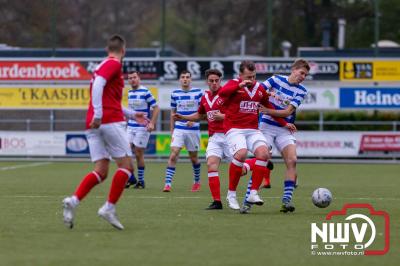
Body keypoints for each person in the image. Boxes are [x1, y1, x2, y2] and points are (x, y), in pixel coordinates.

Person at [62, 35, 147, 230]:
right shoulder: (114, 64)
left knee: (101, 170)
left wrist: (134, 115)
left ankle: (72, 202)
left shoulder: (101, 65)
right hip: (108, 121)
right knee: (127, 167)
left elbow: (111, 99)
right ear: (123, 50)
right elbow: (99, 85)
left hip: (93, 124)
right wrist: (100, 114)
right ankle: (108, 208)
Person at [217, 60, 293, 210]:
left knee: (264, 153)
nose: (251, 80)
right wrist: (238, 85)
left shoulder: (259, 88)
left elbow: (268, 107)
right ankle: (231, 194)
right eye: (248, 77)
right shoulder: (233, 84)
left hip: (252, 129)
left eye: (253, 76)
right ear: (240, 75)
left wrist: (285, 123)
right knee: (242, 153)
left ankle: (253, 193)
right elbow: (222, 93)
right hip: (234, 128)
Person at [258, 58, 309, 213]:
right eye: (301, 73)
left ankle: (286, 201)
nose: (303, 77)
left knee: (292, 160)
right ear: (293, 69)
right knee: (263, 157)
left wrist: (267, 110)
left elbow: (287, 112)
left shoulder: (302, 91)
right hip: (266, 126)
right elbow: (258, 92)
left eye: (305, 75)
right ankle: (250, 196)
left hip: (284, 129)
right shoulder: (275, 79)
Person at [162, 70, 203, 192]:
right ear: (180, 79)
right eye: (183, 77)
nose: (185, 79)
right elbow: (173, 113)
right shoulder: (175, 93)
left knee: (193, 158)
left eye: (187, 77)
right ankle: (167, 184)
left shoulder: (198, 93)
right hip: (179, 129)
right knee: (173, 154)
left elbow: (203, 113)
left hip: (193, 130)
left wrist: (195, 121)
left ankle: (196, 181)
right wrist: (171, 130)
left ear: (191, 79)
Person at [125, 71, 160, 189]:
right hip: (130, 126)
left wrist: (152, 123)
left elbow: (156, 108)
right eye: (130, 78)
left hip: (142, 128)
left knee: (138, 153)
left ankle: (141, 181)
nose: (132, 80)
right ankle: (130, 177)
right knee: (124, 151)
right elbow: (131, 111)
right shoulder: (129, 92)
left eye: (134, 77)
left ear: (139, 78)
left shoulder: (145, 92)